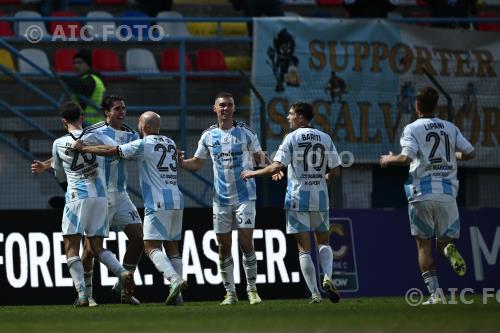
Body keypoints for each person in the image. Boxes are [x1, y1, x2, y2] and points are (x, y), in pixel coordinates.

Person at [32, 95, 144, 306]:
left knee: (71, 245)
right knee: (95, 248)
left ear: (63, 121)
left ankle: (83, 294)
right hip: (100, 196)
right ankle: (121, 273)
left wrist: (52, 167)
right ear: (82, 116)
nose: (122, 112)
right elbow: (113, 150)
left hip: (77, 196)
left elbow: (60, 173)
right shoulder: (96, 135)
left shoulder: (59, 142)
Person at [74, 111, 187, 305]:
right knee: (173, 248)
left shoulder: (141, 143)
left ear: (144, 127)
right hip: (176, 200)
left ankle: (171, 280)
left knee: (148, 245)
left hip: (154, 201)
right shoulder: (169, 142)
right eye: (118, 108)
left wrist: (85, 148)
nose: (124, 114)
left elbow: (112, 151)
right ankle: (91, 294)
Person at [379, 86, 475, 305]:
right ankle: (448, 248)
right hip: (448, 193)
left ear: (417, 106)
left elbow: (405, 158)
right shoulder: (450, 127)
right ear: (437, 105)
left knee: (423, 246)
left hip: (421, 193)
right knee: (443, 242)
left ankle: (436, 295)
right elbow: (471, 152)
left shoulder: (412, 128)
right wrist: (452, 155)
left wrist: (388, 159)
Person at [241, 102, 342, 304]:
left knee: (304, 249)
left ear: (301, 118)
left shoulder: (292, 138)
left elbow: (276, 166)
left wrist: (253, 172)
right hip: (320, 197)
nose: (288, 118)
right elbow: (336, 171)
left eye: (291, 114)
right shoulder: (325, 138)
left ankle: (314, 293)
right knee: (323, 241)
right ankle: (329, 276)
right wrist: (324, 179)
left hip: (297, 198)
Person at [179, 92, 271, 305]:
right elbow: (197, 162)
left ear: (234, 108)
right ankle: (230, 293)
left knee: (246, 241)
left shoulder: (246, 132)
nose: (225, 109)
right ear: (215, 108)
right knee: (223, 245)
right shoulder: (208, 136)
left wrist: (271, 166)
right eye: (221, 105)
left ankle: (252, 289)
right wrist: (182, 163)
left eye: (229, 105)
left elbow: (259, 156)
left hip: (246, 196)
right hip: (220, 199)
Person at [78, 95, 144, 306]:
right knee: (89, 249)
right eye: (117, 109)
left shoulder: (132, 134)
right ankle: (87, 295)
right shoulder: (93, 132)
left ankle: (123, 288)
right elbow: (74, 149)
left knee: (139, 239)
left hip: (122, 195)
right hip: (99, 195)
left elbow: (142, 153)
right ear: (107, 112)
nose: (122, 112)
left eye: (123, 108)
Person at [62, 49, 106, 125]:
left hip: (90, 125)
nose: (76, 66)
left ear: (88, 65)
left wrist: (61, 77)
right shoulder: (92, 78)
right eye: (74, 63)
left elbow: (83, 87)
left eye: (80, 63)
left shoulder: (91, 79)